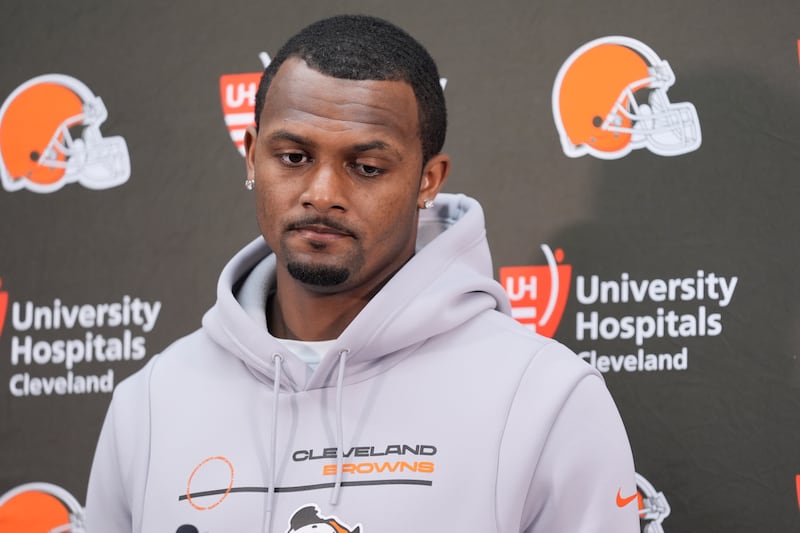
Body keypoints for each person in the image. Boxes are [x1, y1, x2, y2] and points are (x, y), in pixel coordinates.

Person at [85, 14, 639, 533]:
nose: (323, 194)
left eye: (367, 167)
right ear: (251, 156)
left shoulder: (543, 397)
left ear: (428, 180)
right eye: (294, 157)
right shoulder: (151, 405)